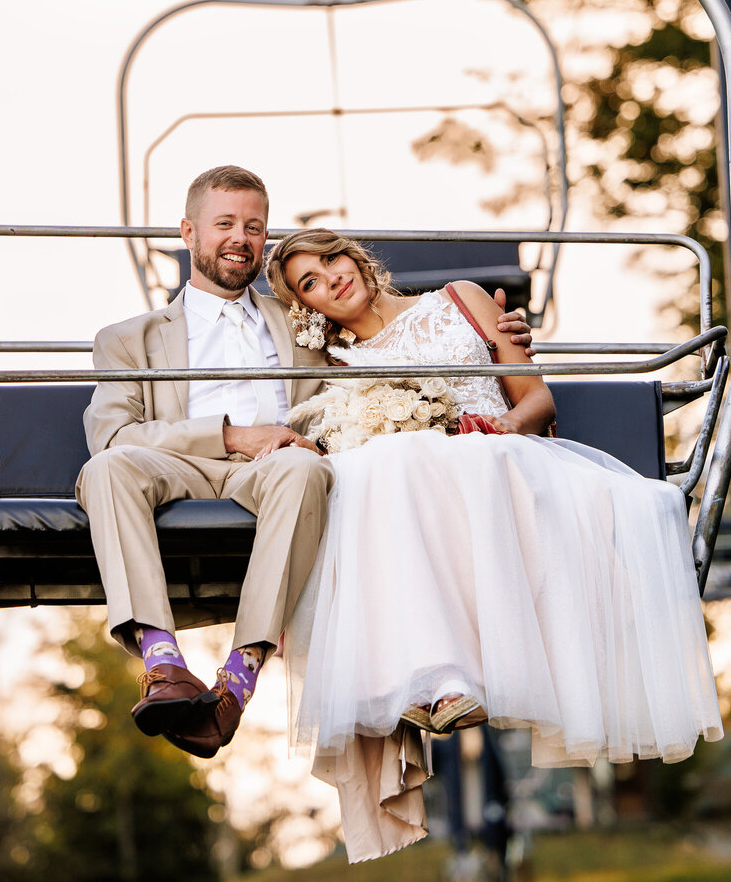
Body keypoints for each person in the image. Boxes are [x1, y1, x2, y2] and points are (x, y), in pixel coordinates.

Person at [265, 228, 723, 861]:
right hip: (418, 486)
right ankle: (441, 681)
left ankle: (448, 670)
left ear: (355, 256)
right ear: (307, 309)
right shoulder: (336, 371)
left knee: (421, 462)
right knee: (384, 466)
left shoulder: (465, 298)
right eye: (309, 282)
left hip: (502, 453)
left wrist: (499, 424)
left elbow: (536, 399)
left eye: (331, 259)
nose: (331, 277)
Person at [77, 167, 535, 761]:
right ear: (188, 232)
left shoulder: (301, 326)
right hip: (177, 465)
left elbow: (392, 346)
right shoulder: (129, 338)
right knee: (108, 469)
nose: (240, 238)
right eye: (224, 224)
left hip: (272, 471)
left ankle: (238, 680)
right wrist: (231, 435)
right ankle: (164, 665)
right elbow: (113, 434)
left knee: (304, 472)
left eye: (253, 227)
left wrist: (496, 338)